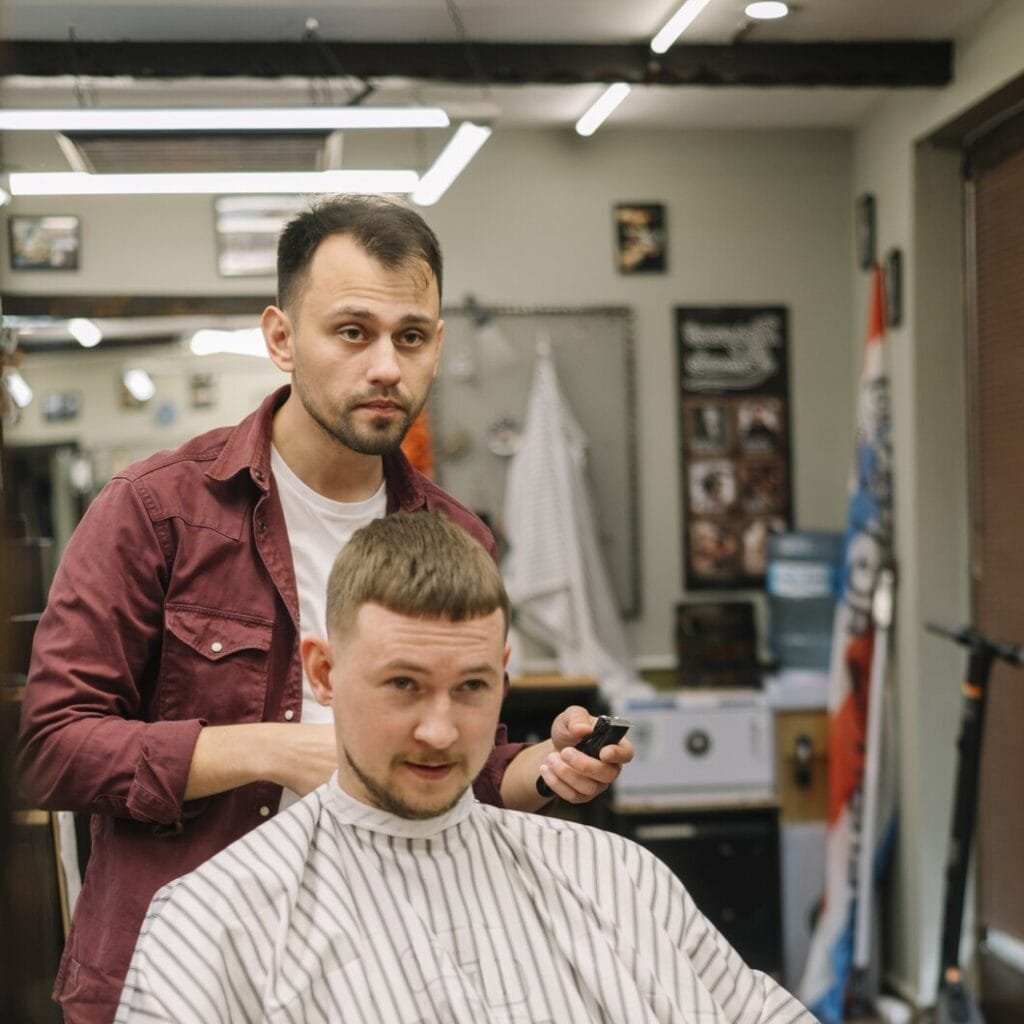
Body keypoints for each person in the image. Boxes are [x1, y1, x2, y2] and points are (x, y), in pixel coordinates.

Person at [17, 195, 633, 1023]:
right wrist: (278, 750)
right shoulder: (156, 513)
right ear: (281, 338)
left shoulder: (456, 537)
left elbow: (454, 767)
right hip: (175, 977)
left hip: (383, 969)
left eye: (410, 337)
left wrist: (539, 773)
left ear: (437, 345)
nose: (386, 366)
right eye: (353, 332)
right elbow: (52, 749)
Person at [114, 511, 816, 1024]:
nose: (441, 730)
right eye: (404, 685)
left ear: (503, 676)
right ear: (324, 672)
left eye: (472, 687)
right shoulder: (215, 924)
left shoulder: (616, 878)